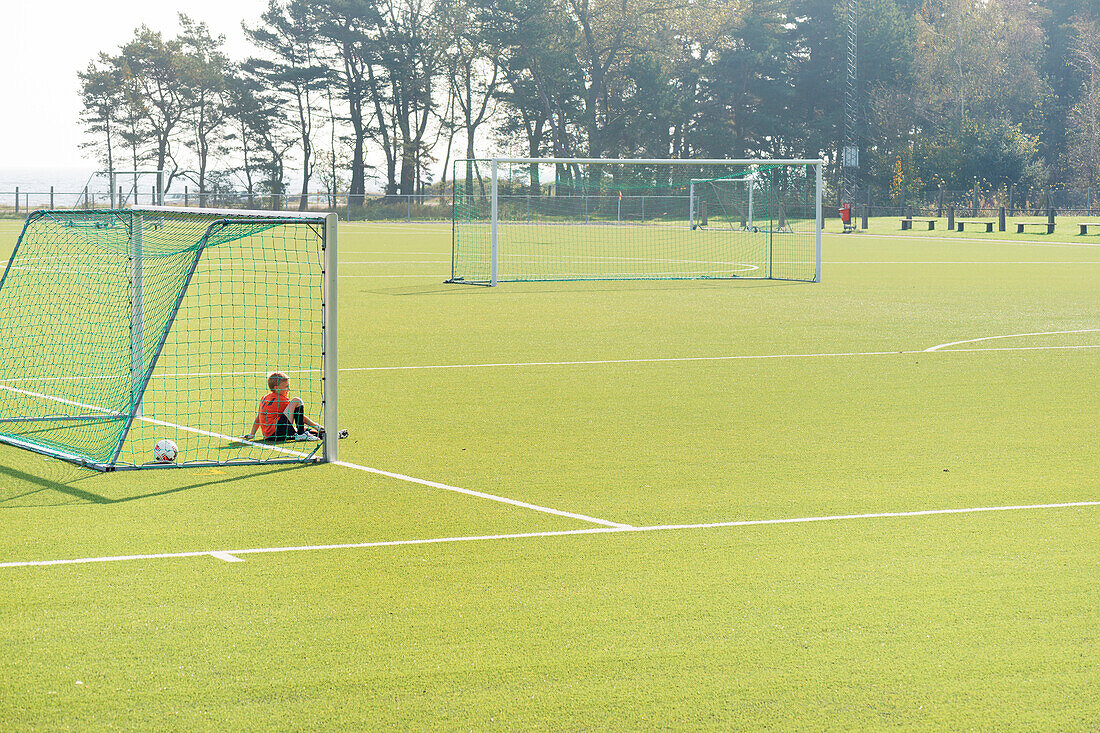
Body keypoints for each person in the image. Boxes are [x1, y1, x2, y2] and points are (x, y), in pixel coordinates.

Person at [242, 371, 323, 442]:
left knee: (306, 430)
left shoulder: (265, 398)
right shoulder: (280, 399)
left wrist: (252, 433)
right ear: (276, 388)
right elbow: (299, 416)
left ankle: (321, 434)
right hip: (278, 433)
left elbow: (259, 417)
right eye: (286, 387)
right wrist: (316, 426)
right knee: (296, 401)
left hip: (268, 436)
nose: (288, 389)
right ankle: (302, 434)